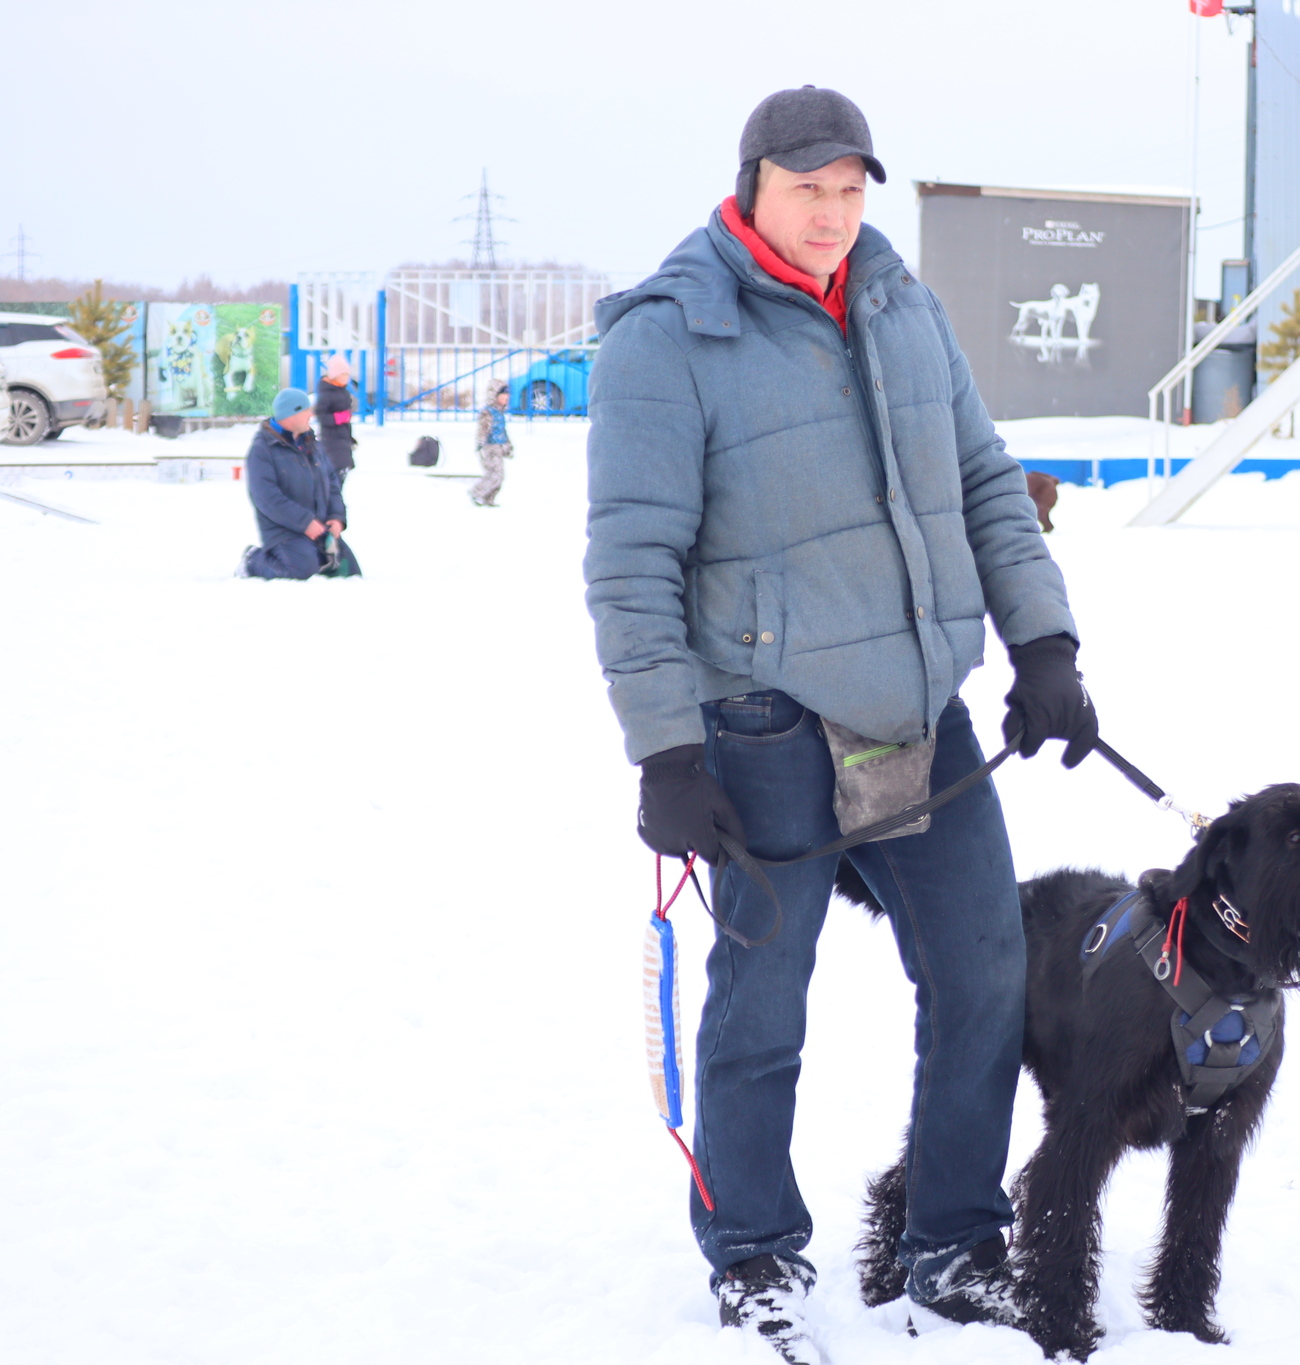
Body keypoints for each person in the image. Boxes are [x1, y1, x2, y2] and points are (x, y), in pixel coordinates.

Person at [583, 85, 1097, 1364]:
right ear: (751, 182)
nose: (832, 212)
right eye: (807, 187)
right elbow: (630, 558)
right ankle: (753, 1255)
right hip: (765, 722)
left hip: (921, 710)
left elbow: (981, 477)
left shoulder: (897, 302)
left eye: (851, 187)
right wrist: (664, 745)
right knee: (764, 1003)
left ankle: (951, 1243)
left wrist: (1043, 642)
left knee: (986, 974)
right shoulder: (668, 336)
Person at [238, 388, 360, 579]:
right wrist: (305, 523)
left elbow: (332, 483)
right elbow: (267, 498)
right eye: (306, 411)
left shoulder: (311, 442)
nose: (311, 415)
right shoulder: (262, 449)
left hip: (319, 527)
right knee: (300, 571)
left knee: (349, 570)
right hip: (284, 530)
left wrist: (337, 517)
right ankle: (253, 561)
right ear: (291, 414)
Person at [314, 353, 357, 486]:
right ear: (335, 375)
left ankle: (335, 499)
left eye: (347, 374)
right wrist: (337, 418)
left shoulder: (342, 391)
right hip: (331, 439)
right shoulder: (326, 392)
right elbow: (321, 415)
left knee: (343, 469)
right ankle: (332, 500)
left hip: (342, 438)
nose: (346, 378)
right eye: (343, 374)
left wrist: (350, 438)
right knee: (336, 470)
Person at [472, 381, 512, 506]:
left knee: (500, 475)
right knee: (494, 474)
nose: (507, 398)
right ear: (495, 396)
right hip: (490, 447)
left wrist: (508, 445)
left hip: (499, 447)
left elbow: (503, 431)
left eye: (508, 396)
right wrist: (481, 444)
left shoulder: (500, 413)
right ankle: (477, 493)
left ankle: (489, 498)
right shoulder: (488, 413)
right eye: (503, 395)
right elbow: (483, 430)